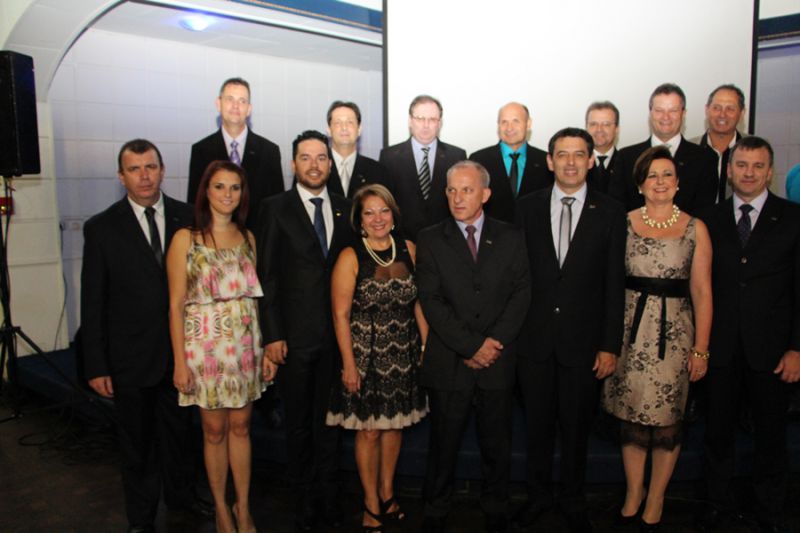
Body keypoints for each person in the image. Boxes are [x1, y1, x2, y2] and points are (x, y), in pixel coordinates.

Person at [81, 139, 211, 533]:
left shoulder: (189, 218)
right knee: (136, 444)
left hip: (182, 354)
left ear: (162, 170)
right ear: (121, 176)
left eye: (150, 167)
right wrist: (96, 364)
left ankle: (183, 500)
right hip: (130, 357)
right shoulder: (101, 228)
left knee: (180, 437)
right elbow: (93, 300)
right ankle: (141, 517)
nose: (144, 176)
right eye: (135, 169)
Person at [514, 128, 626, 533]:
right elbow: (516, 277)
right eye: (562, 154)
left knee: (577, 430)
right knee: (537, 429)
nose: (571, 162)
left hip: (584, 344)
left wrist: (609, 345)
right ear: (549, 161)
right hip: (534, 342)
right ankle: (538, 497)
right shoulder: (525, 207)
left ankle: (574, 500)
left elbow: (614, 284)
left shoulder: (611, 211)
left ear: (591, 161)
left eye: (579, 154)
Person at [416, 160, 531, 533]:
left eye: (467, 190)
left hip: (498, 360)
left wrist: (491, 345)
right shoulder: (430, 238)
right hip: (450, 361)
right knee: (443, 444)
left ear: (486, 194)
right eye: (451, 190)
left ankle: (496, 507)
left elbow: (521, 293)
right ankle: (436, 509)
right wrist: (471, 347)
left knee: (497, 445)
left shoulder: (511, 236)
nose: (457, 198)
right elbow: (431, 301)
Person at [601, 146, 712, 531]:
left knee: (666, 423)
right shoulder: (623, 223)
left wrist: (701, 349)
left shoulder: (696, 228)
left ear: (678, 183)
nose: (660, 182)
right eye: (652, 176)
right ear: (640, 185)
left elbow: (703, 292)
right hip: (629, 335)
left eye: (667, 175)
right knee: (631, 419)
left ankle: (657, 497)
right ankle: (634, 493)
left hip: (675, 337)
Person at [697, 136, 800, 533]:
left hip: (772, 352)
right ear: (729, 169)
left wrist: (796, 348)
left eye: (758, 166)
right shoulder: (708, 218)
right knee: (717, 435)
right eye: (741, 165)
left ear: (770, 172)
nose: (749, 173)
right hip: (720, 348)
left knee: (771, 437)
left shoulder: (793, 218)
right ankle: (716, 507)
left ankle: (769, 511)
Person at [167, 160, 275, 533]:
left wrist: (265, 350)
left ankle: (243, 507)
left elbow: (255, 301)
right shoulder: (186, 239)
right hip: (204, 350)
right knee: (214, 431)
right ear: (206, 191)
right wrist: (179, 362)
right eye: (219, 186)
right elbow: (175, 305)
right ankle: (220, 508)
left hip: (244, 346)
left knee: (242, 427)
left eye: (235, 187)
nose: (227, 194)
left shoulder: (249, 239)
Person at [256, 130, 355, 531]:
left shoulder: (345, 208)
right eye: (306, 158)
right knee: (298, 426)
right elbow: (266, 277)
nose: (314, 165)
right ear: (293, 164)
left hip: (337, 339)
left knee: (330, 425)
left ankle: (329, 502)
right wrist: (272, 334)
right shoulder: (274, 208)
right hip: (294, 341)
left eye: (321, 158)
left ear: (330, 164)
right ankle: (302, 504)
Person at [326, 184, 429, 532]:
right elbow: (340, 315)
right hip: (365, 356)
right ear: (360, 220)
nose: (378, 218)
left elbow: (419, 303)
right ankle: (370, 502)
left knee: (394, 426)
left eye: (383, 211)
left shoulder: (409, 249)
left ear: (393, 215)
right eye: (369, 213)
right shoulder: (350, 256)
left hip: (404, 354)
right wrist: (349, 364)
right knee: (370, 432)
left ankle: (388, 493)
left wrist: (426, 347)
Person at [188, 77, 283, 229]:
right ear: (218, 104)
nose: (235, 106)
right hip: (213, 236)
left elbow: (277, 208)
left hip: (258, 237)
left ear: (249, 109)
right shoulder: (201, 150)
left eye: (242, 101)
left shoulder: (269, 151)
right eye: (230, 99)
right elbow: (196, 204)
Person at [610, 83, 717, 214]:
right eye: (659, 110)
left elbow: (705, 211)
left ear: (683, 113)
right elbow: (617, 210)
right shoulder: (626, 157)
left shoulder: (705, 159)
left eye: (673, 110)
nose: (666, 117)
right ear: (650, 113)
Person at [379, 94, 467, 241]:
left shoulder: (456, 156)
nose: (426, 125)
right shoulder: (389, 157)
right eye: (420, 119)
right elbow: (384, 203)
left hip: (446, 241)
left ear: (440, 123)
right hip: (402, 241)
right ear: (410, 121)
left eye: (432, 119)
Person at [469, 102, 553, 222]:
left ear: (528, 123)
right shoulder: (479, 159)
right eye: (504, 122)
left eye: (515, 121)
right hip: (492, 232)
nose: (509, 128)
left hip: (534, 231)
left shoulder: (545, 161)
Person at [691, 84, 747, 204]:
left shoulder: (757, 149)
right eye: (716, 108)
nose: (722, 114)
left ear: (742, 113)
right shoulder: (688, 148)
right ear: (707, 110)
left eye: (730, 109)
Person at [325, 100, 389, 198]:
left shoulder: (378, 171)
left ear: (359, 129)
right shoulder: (317, 168)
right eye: (338, 123)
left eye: (350, 122)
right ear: (328, 130)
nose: (344, 127)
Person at [585, 101, 622, 194]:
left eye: (606, 124)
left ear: (617, 129)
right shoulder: (576, 164)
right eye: (593, 124)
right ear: (586, 128)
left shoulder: (627, 164)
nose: (599, 129)